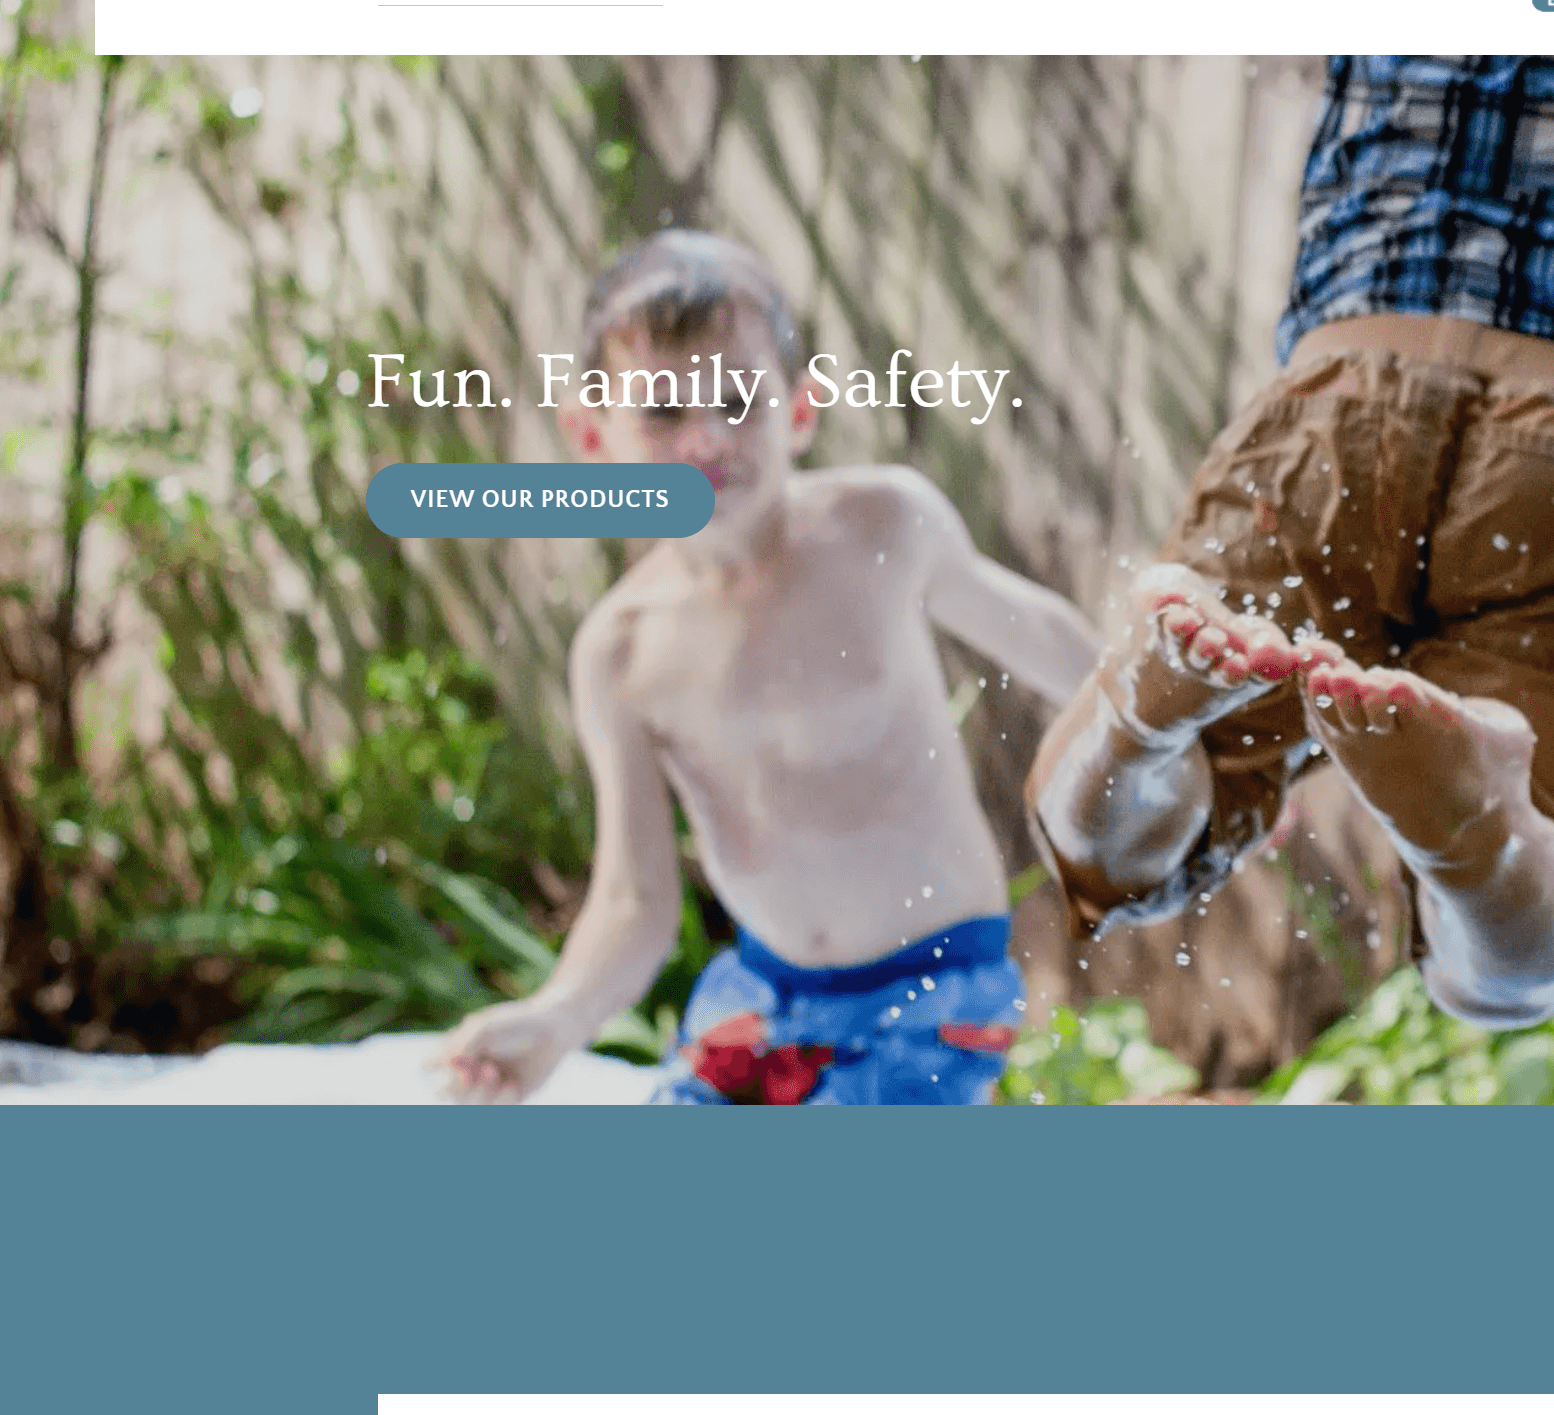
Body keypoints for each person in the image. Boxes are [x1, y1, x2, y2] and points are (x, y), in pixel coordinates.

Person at [1027, 55, 1554, 1028]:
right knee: (1523, 962)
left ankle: (1136, 717)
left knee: (1109, 861)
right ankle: (1479, 839)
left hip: (1337, 406)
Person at [435, 230, 1099, 1103]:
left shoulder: (881, 530)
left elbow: (1040, 637)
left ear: (799, 409)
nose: (708, 437)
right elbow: (635, 899)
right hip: (762, 995)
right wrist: (557, 1021)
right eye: (665, 411)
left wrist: (1185, 745)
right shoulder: (621, 652)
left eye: (739, 400)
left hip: (936, 985)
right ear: (592, 431)